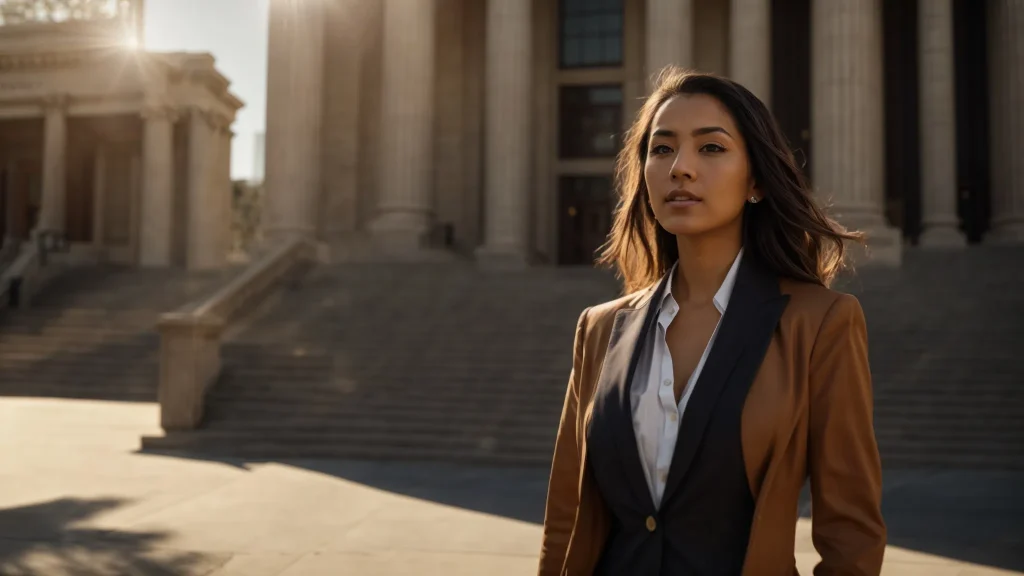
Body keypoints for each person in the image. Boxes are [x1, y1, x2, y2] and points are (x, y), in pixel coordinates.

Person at [538, 67, 886, 575]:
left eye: (712, 148)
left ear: (758, 182)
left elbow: (851, 534)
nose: (681, 168)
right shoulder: (599, 328)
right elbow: (566, 520)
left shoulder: (820, 323)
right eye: (662, 149)